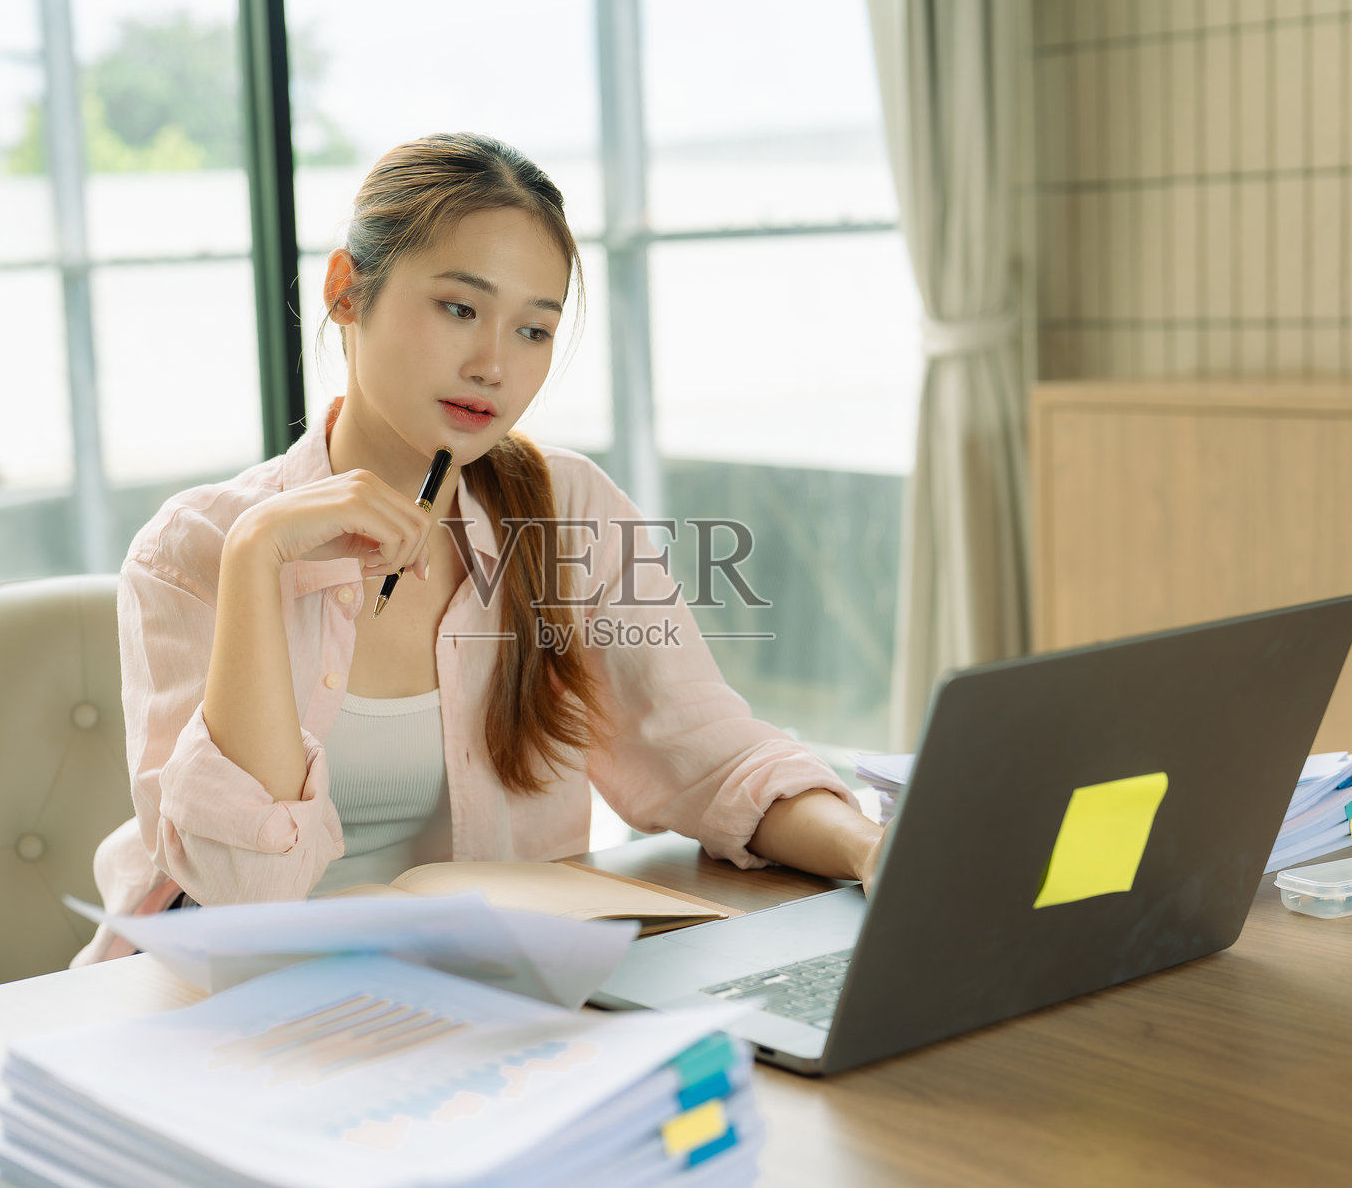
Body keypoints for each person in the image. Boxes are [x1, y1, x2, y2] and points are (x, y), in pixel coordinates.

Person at [72, 132, 885, 966]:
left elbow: (710, 755)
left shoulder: (568, 511)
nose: (495, 365)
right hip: (230, 1014)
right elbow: (242, 895)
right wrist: (255, 560)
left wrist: (870, 849)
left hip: (490, 1006)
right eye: (460, 309)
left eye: (534, 331)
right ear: (347, 291)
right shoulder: (197, 547)